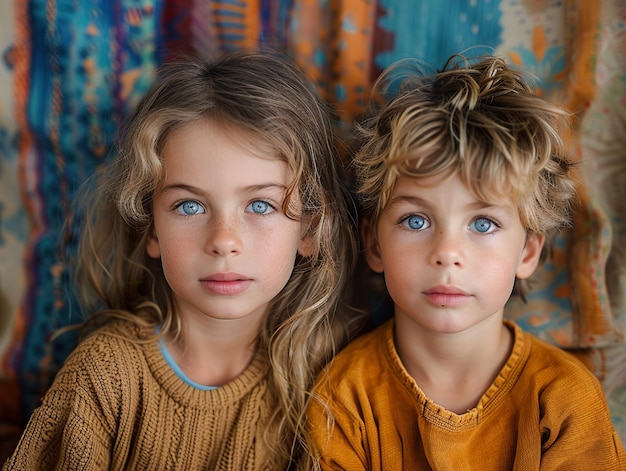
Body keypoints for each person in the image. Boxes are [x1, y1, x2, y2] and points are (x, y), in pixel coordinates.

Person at [3, 49, 359, 471]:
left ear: (310, 230)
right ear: (150, 228)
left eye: (260, 206)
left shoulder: (332, 374)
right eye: (190, 207)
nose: (224, 241)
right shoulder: (104, 377)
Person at [307, 54, 626, 470]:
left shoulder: (563, 397)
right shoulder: (344, 394)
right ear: (375, 245)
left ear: (528, 252)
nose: (448, 253)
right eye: (416, 220)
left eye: (483, 223)